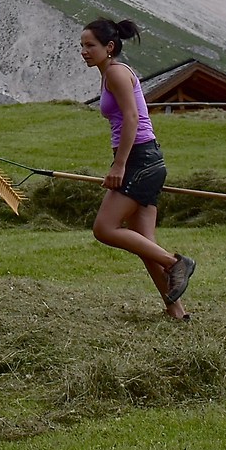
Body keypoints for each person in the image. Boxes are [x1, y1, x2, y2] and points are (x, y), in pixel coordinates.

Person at [80, 19, 195, 319]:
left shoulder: (117, 73)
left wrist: (119, 165)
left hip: (139, 160)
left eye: (90, 45)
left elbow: (131, 119)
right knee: (145, 245)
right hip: (144, 158)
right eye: (82, 45)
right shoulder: (109, 74)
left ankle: (175, 263)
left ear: (109, 47)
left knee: (104, 229)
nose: (84, 51)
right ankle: (177, 313)